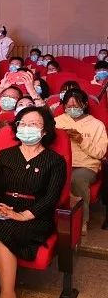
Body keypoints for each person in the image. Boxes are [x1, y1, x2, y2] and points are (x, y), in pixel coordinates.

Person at [0, 107, 66, 298]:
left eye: (33, 124)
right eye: (22, 123)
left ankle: (7, 295)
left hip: (36, 216)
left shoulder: (54, 160)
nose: (26, 127)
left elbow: (51, 197)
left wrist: (23, 215)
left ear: (45, 130)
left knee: (0, 227)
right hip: (3, 208)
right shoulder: (6, 155)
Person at [54, 88, 108, 231]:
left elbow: (100, 153)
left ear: (84, 104)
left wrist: (81, 140)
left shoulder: (96, 125)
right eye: (68, 106)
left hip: (86, 166)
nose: (72, 109)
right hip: (60, 163)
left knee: (76, 179)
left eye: (76, 105)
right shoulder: (57, 122)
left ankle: (80, 221)